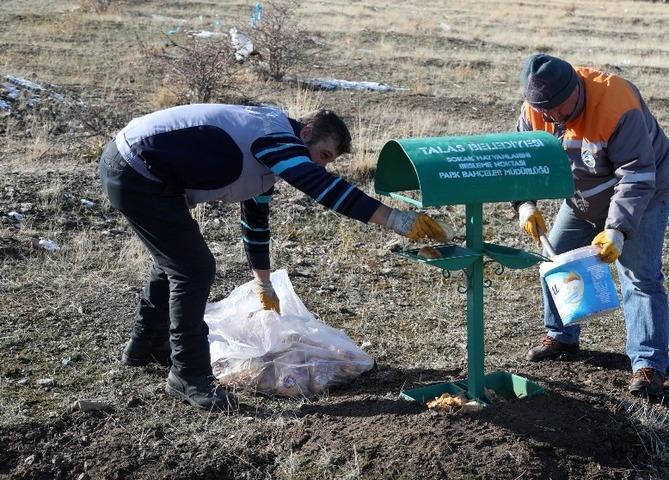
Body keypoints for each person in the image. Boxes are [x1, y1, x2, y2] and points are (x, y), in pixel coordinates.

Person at [99, 104, 449, 411]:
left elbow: (255, 222)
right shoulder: (275, 136)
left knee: (174, 261)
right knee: (193, 269)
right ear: (307, 132)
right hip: (137, 168)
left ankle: (145, 345)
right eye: (323, 155)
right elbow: (321, 188)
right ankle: (189, 375)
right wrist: (397, 220)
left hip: (140, 168)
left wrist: (263, 282)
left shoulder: (267, 156)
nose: (320, 165)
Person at [514, 54, 669, 396]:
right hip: (583, 193)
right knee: (555, 255)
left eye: (558, 108)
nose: (552, 116)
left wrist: (617, 229)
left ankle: (648, 365)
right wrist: (525, 204)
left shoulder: (617, 103)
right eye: (544, 110)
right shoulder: (536, 109)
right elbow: (525, 159)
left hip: (641, 194)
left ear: (576, 87)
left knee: (639, 276)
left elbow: (636, 176)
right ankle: (561, 336)